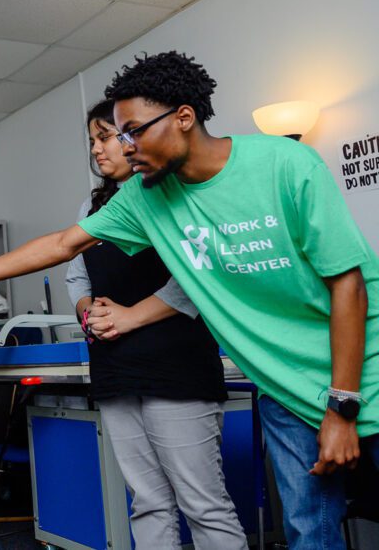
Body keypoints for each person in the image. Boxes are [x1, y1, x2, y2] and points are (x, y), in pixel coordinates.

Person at [0, 51, 379, 550]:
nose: (123, 147)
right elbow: (63, 245)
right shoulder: (143, 197)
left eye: (132, 131)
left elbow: (347, 284)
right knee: (310, 532)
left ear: (183, 116)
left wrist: (341, 407)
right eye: (117, 135)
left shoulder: (284, 162)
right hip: (286, 392)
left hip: (361, 373)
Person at [64, 99, 245, 548]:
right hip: (115, 367)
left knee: (203, 505)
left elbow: (198, 274)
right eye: (93, 142)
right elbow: (75, 270)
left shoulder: (175, 191)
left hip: (175, 365)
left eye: (106, 137)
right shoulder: (93, 204)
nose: (99, 151)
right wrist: (89, 312)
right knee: (147, 501)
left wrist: (126, 317)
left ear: (133, 135)